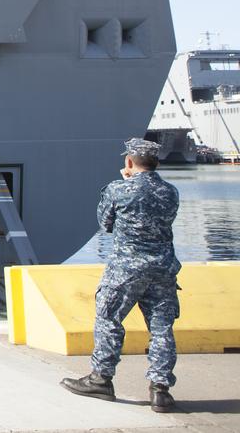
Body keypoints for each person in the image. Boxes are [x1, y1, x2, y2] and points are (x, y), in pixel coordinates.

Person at [61, 138, 181, 413]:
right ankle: (160, 391)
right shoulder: (171, 192)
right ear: (156, 163)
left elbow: (105, 224)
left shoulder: (118, 189)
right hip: (163, 268)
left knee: (108, 319)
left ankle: (101, 379)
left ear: (129, 161)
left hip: (126, 269)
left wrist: (125, 183)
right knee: (161, 328)